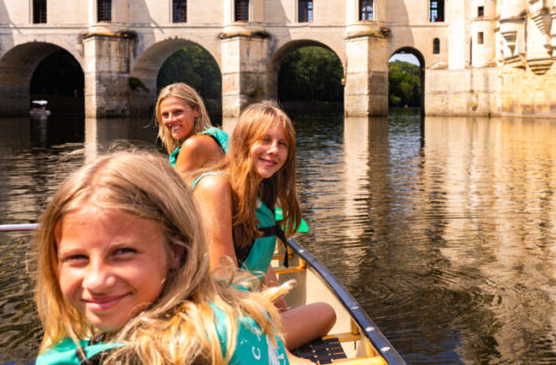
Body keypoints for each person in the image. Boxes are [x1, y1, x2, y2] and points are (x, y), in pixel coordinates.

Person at [34, 150, 299, 364]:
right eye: (76, 258)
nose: (95, 281)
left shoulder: (185, 350)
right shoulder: (237, 314)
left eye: (122, 253)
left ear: (176, 252)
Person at [192, 102, 336, 351]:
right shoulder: (214, 186)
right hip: (212, 322)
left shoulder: (260, 192)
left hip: (240, 314)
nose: (273, 150)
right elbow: (223, 279)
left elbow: (258, 259)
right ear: (243, 142)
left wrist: (281, 309)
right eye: (265, 140)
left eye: (282, 144)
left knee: (325, 313)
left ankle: (268, 344)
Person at [155, 83, 229, 174]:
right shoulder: (216, 135)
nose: (171, 119)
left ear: (196, 111)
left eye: (178, 112)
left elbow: (173, 188)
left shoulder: (193, 144)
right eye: (165, 115)